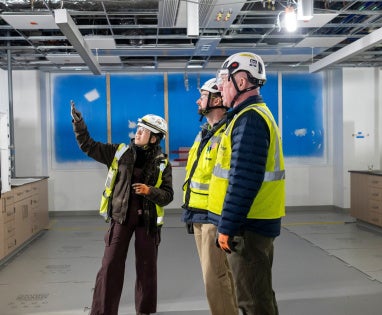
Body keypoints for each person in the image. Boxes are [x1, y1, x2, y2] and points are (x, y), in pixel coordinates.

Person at [71, 102, 174, 315]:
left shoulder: (162, 163)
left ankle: (144, 311)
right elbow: (88, 145)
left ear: (154, 138)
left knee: (147, 271)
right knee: (110, 266)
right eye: (138, 128)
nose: (138, 132)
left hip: (147, 223)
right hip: (121, 218)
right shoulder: (119, 152)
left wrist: (149, 191)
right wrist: (79, 123)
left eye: (144, 130)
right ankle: (102, 312)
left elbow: (168, 196)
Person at [208, 52, 285, 315]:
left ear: (241, 82)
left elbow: (243, 180)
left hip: (248, 228)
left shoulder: (250, 120)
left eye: (225, 81)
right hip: (251, 224)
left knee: (252, 301)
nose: (220, 88)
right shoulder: (247, 116)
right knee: (257, 294)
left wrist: (227, 227)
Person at [181, 78, 238, 315]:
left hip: (214, 216)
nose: (197, 100)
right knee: (217, 275)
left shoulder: (228, 133)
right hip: (198, 214)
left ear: (216, 100)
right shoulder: (205, 132)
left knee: (214, 278)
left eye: (202, 95)